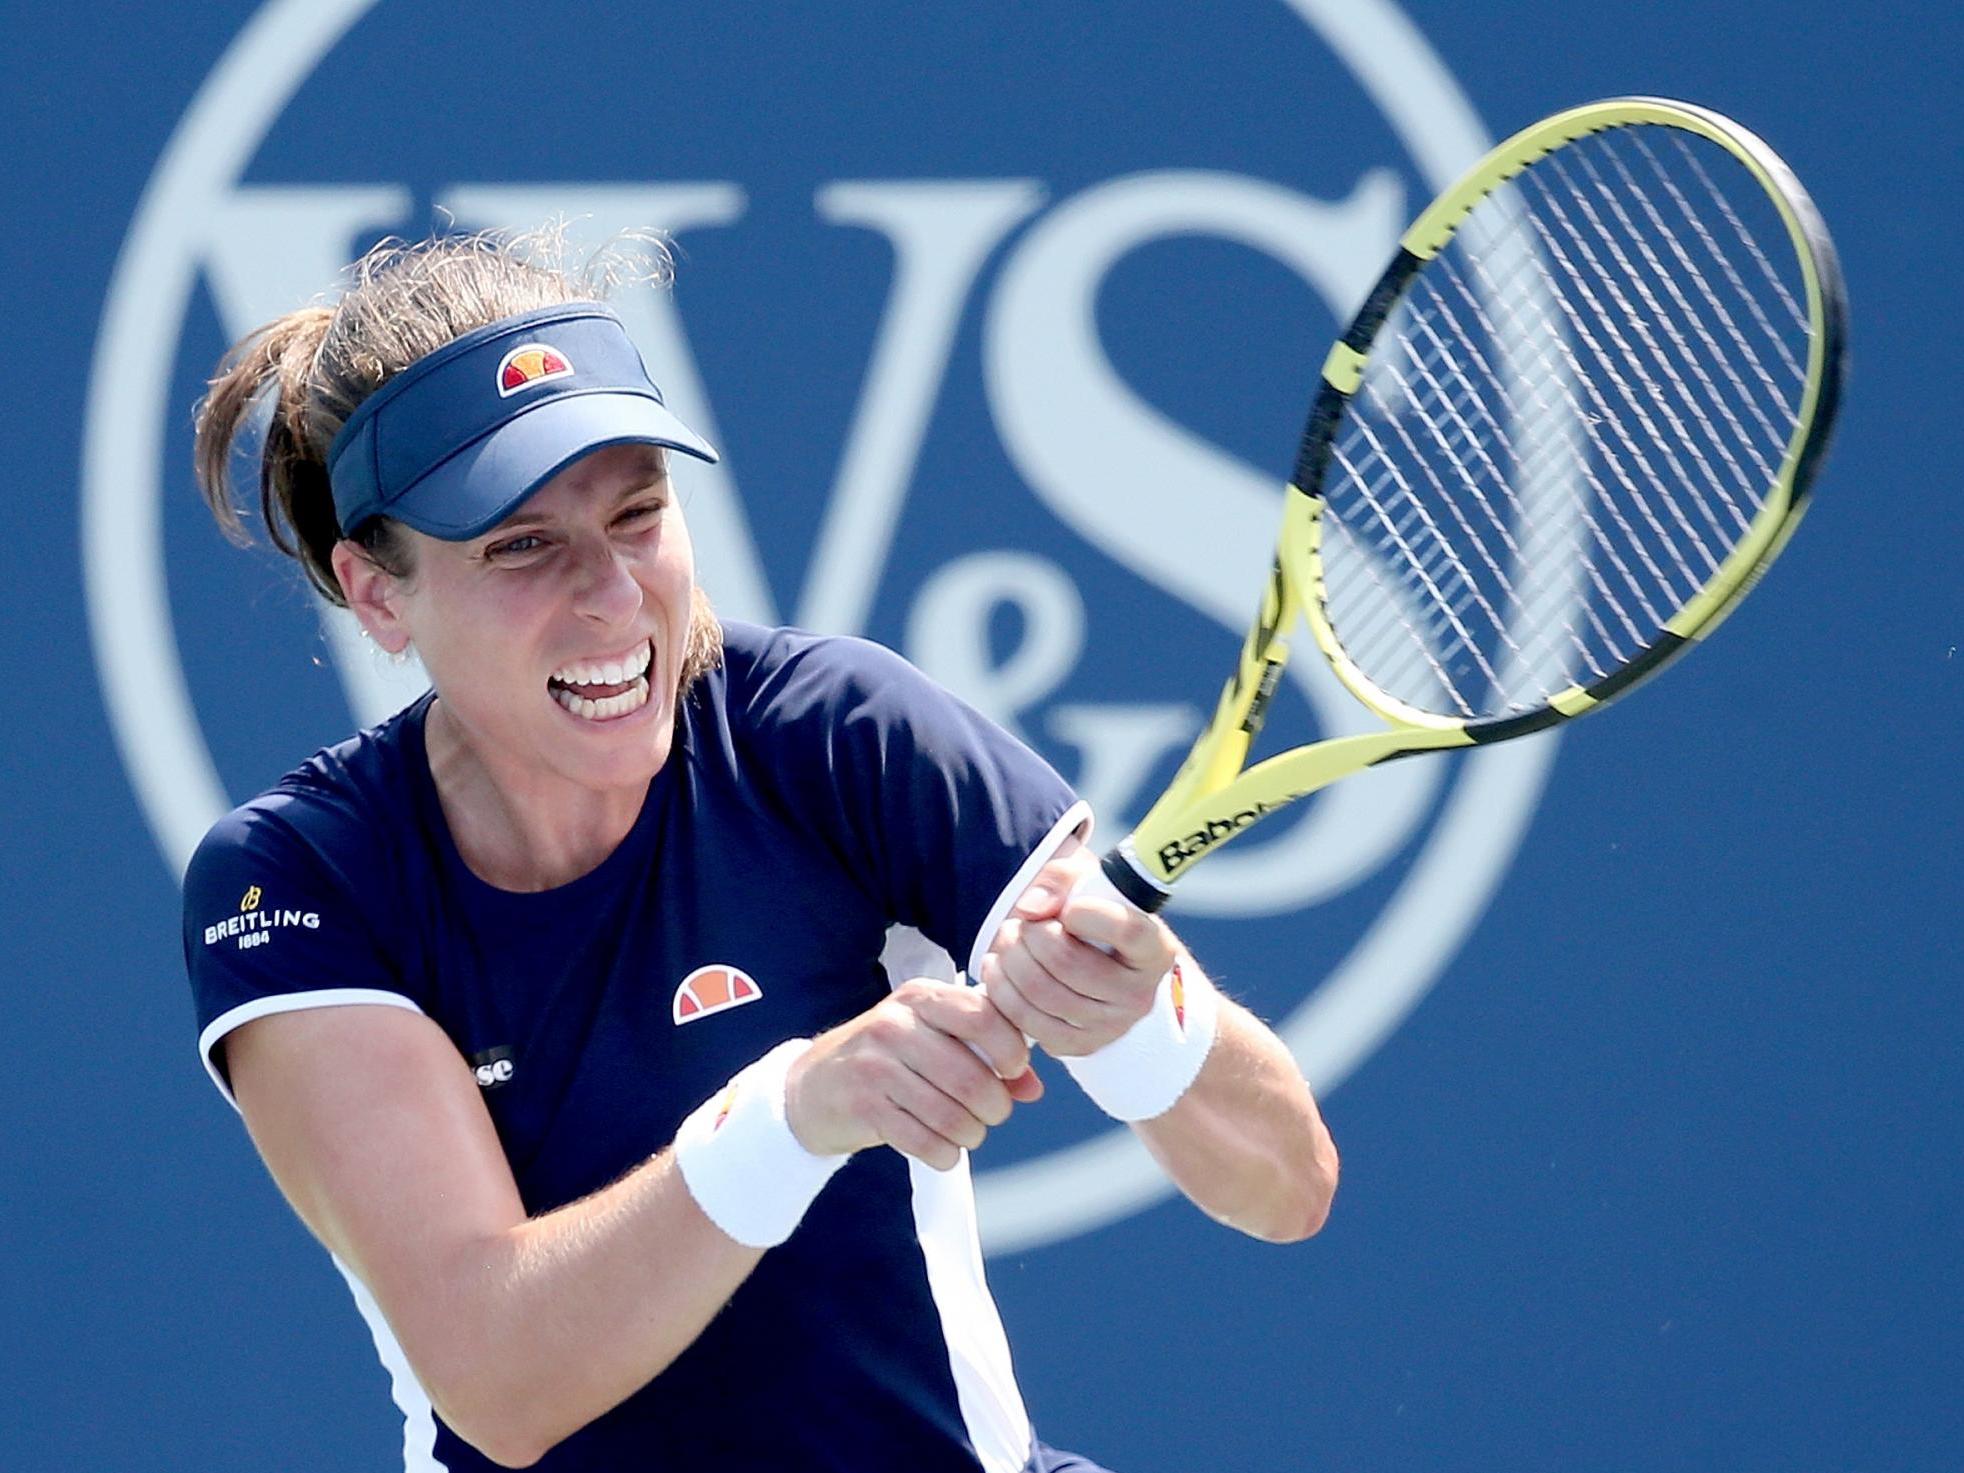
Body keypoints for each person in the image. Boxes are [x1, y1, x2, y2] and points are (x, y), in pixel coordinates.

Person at [183, 231, 1338, 1473]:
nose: (616, 598)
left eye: (637, 515)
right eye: (521, 546)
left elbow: (1284, 1185)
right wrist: (795, 1113)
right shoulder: (293, 881)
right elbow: (500, 1383)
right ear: (376, 594)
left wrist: (1142, 1025)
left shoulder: (840, 737)